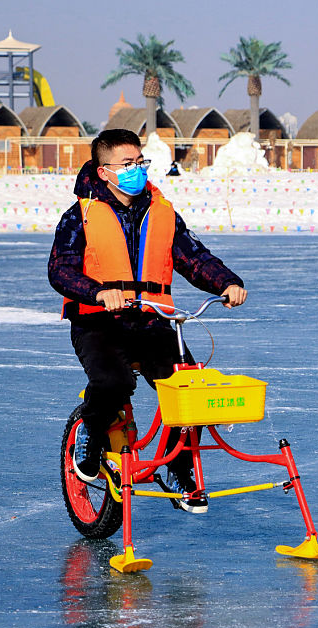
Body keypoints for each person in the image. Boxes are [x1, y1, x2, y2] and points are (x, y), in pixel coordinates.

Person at [47, 128, 247, 513]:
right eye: (127, 164)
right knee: (113, 382)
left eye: (140, 162)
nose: (137, 170)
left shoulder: (163, 212)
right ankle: (89, 431)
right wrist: (97, 292)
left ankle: (176, 467)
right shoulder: (80, 216)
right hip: (98, 322)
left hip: (152, 320)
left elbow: (193, 258)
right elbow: (60, 270)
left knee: (190, 391)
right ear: (104, 171)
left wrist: (227, 282)